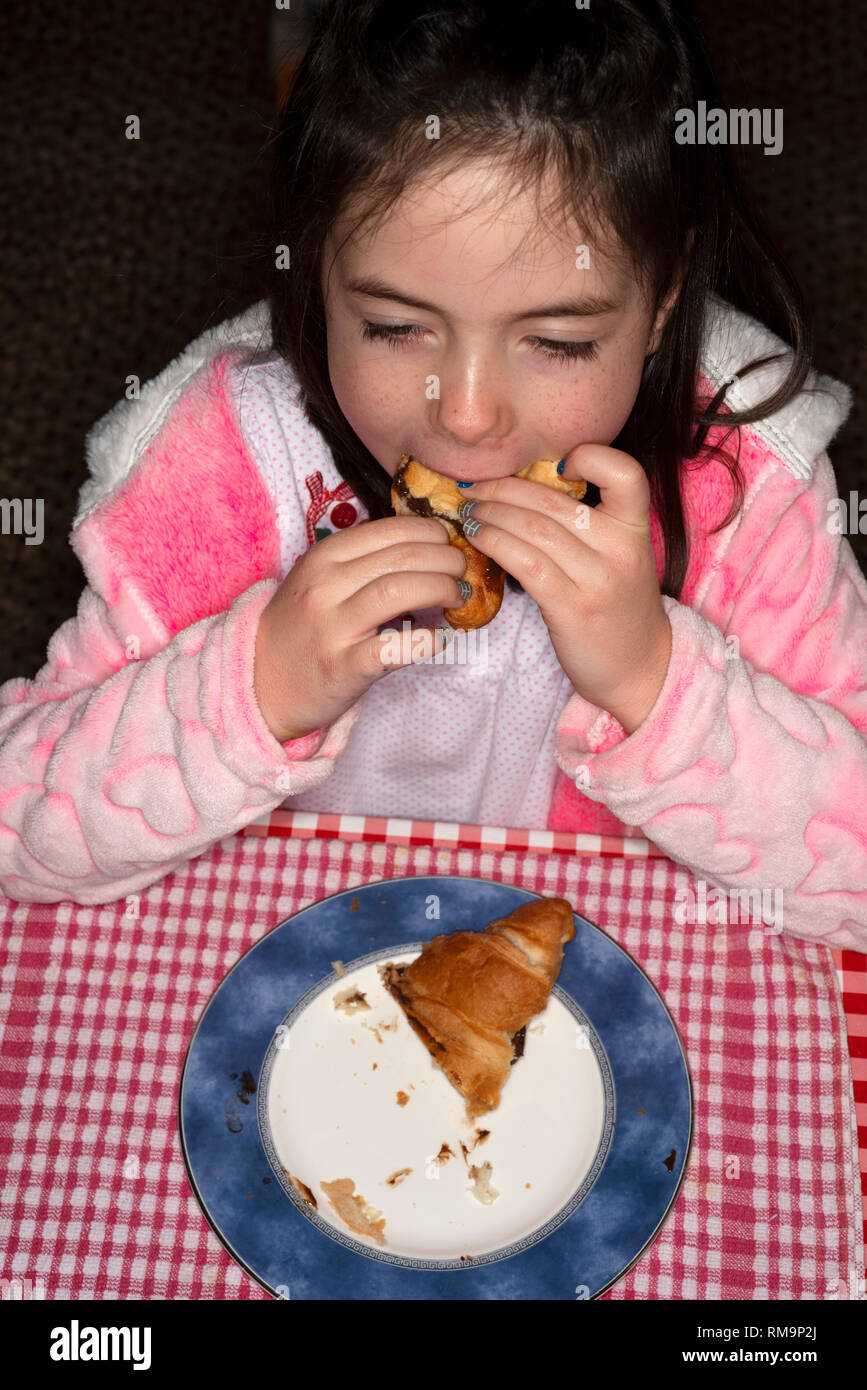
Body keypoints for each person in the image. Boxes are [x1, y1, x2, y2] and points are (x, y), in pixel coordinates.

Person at [0, 0, 864, 950]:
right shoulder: (220, 466)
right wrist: (252, 687)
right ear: (314, 269)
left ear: (662, 304)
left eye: (557, 341)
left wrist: (653, 679)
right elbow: (20, 827)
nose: (464, 414)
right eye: (393, 328)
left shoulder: (746, 490)